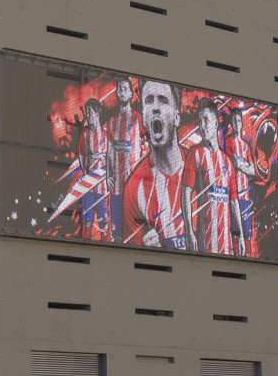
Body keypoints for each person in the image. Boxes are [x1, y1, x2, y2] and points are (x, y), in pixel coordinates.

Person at [121, 80, 191, 249]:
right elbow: (131, 261)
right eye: (149, 101)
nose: (155, 108)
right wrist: (146, 251)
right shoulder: (133, 188)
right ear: (144, 117)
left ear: (176, 118)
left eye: (163, 100)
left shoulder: (202, 170)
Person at [184, 103, 241, 255]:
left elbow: (234, 201)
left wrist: (240, 234)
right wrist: (189, 231)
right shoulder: (194, 154)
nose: (202, 126)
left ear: (216, 122)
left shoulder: (228, 162)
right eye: (199, 122)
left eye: (206, 120)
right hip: (204, 244)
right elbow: (185, 195)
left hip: (226, 246)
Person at [49, 100, 110, 239]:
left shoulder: (106, 136)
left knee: (103, 224)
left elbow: (110, 162)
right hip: (87, 188)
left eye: (92, 113)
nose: (90, 116)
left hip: (102, 189)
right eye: (88, 113)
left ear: (98, 113)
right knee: (87, 222)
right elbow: (82, 159)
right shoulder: (85, 135)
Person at [106, 77, 146, 240]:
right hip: (116, 188)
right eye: (118, 89)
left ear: (131, 93)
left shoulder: (138, 118)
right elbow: (108, 152)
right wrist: (108, 175)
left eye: (124, 89)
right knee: (117, 236)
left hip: (133, 189)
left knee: (134, 234)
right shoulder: (111, 122)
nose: (121, 92)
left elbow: (149, 144)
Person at [225, 109, 258, 257]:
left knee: (247, 232)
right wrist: (245, 164)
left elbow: (253, 171)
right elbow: (234, 162)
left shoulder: (245, 145)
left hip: (245, 196)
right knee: (235, 230)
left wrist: (243, 164)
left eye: (239, 121)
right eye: (234, 121)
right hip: (235, 195)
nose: (237, 124)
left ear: (241, 123)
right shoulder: (229, 140)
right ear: (231, 123)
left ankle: (248, 258)